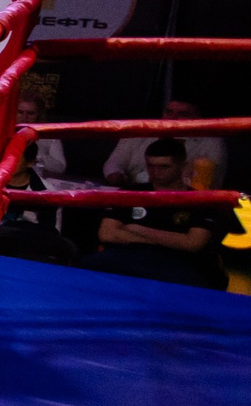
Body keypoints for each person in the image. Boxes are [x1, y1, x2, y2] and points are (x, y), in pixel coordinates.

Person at [89, 138, 228, 289]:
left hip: (177, 264)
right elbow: (107, 234)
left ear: (182, 166)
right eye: (151, 166)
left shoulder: (200, 201)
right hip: (128, 257)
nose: (155, 172)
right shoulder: (130, 194)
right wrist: (169, 241)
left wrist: (137, 229)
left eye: (164, 167)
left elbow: (193, 243)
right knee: (90, 265)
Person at [105, 99, 227, 191]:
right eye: (168, 112)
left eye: (183, 114)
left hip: (180, 199)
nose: (173, 118)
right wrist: (117, 178)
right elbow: (113, 164)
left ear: (198, 118)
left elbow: (210, 184)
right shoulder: (140, 131)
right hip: (134, 193)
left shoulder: (211, 142)